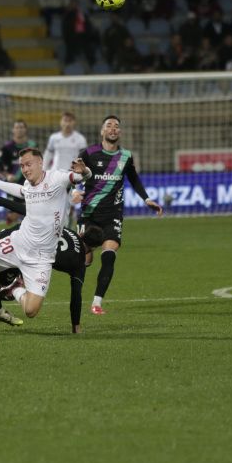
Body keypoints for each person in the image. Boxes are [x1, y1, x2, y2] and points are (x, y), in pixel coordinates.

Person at [0, 149, 92, 324]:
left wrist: (85, 171)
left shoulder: (57, 178)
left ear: (40, 163)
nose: (25, 169)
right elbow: (20, 190)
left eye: (28, 164)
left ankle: (15, 288)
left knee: (30, 311)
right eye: (22, 165)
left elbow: (81, 177)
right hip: (18, 243)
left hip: (41, 259)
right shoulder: (28, 185)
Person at [0, 186, 105, 333]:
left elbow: (26, 210)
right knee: (7, 290)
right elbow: (76, 296)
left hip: (12, 238)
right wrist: (76, 326)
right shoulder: (79, 264)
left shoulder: (64, 228)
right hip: (26, 253)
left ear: (82, 233)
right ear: (94, 248)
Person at [78, 115, 165, 315]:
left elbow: (134, 178)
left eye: (116, 126)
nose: (113, 128)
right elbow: (73, 173)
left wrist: (146, 199)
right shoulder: (89, 153)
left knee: (109, 256)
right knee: (85, 260)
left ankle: (97, 303)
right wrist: (75, 190)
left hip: (113, 215)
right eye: (109, 125)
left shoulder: (126, 156)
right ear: (102, 131)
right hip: (89, 215)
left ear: (120, 132)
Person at [44, 111, 88, 227]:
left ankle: (67, 230)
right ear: (61, 122)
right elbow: (48, 155)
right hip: (55, 175)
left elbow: (84, 158)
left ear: (74, 123)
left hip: (72, 176)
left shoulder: (80, 139)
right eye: (65, 120)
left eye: (70, 121)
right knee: (54, 206)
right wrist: (43, 170)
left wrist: (83, 173)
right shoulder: (54, 138)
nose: (67, 123)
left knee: (70, 206)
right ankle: (55, 229)